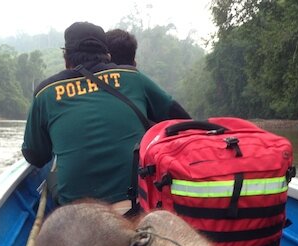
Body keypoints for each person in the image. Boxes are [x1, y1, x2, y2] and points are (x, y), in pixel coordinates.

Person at [22, 21, 191, 207]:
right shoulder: (133, 77)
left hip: (77, 210)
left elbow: (35, 156)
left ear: (66, 57)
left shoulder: (45, 92)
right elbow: (183, 123)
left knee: (52, 175)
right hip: (135, 202)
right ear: (107, 55)